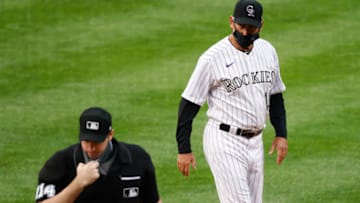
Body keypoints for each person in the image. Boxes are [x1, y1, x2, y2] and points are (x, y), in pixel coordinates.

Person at [175, 0, 288, 202]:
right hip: (224, 141)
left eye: (251, 27)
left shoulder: (267, 51)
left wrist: (281, 134)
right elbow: (188, 104)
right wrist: (184, 149)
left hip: (256, 141)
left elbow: (275, 95)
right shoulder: (212, 58)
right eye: (241, 26)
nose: (245, 32)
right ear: (231, 22)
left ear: (261, 25)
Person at [35, 107, 162, 203]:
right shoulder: (59, 162)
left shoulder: (137, 158)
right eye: (86, 141)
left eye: (97, 141)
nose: (91, 147)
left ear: (110, 135)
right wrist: (78, 183)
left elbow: (154, 201)